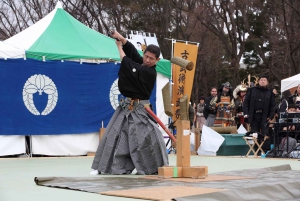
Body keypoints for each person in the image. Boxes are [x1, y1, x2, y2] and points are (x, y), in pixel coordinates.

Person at [90, 30, 168, 175]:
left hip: (140, 110)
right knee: (114, 136)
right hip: (126, 108)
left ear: (157, 60)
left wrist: (119, 47)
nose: (147, 60)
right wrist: (121, 38)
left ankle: (154, 168)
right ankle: (107, 168)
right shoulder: (143, 64)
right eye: (146, 56)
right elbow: (133, 54)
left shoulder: (149, 72)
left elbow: (128, 62)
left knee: (148, 138)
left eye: (152, 58)